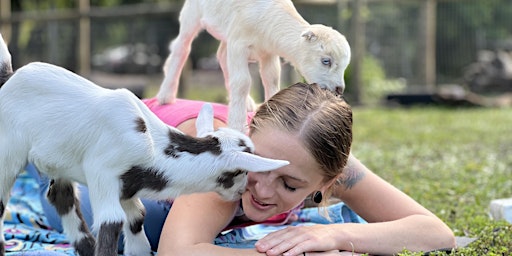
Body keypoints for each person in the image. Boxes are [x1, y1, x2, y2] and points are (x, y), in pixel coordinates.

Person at [28, 83, 455, 255]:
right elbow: (182, 250)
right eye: (257, 163)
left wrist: (334, 233)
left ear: (329, 180)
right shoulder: (221, 158)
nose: (263, 190)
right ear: (248, 132)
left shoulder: (329, 164)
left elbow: (436, 233)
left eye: (289, 184)